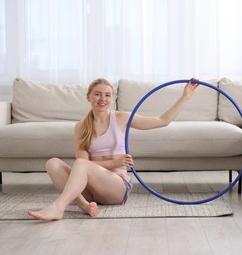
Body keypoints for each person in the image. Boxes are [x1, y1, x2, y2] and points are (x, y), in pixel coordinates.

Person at [28, 78, 199, 221]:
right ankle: (85, 206)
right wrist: (114, 161)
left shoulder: (121, 118)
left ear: (112, 99)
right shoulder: (81, 127)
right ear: (88, 97)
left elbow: (162, 121)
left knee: (81, 164)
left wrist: (185, 97)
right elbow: (84, 163)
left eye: (107, 95)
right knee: (53, 163)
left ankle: (58, 207)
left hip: (116, 187)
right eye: (97, 94)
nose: (102, 98)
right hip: (90, 189)